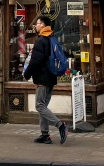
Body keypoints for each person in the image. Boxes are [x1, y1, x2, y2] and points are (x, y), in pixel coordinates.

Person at [22, 16, 67, 145]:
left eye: (37, 23)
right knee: (43, 107)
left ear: (43, 25)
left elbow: (35, 61)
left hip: (42, 79)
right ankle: (45, 135)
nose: (35, 26)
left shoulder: (41, 41)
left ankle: (60, 125)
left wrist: (27, 74)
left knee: (39, 105)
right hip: (51, 78)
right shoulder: (51, 38)